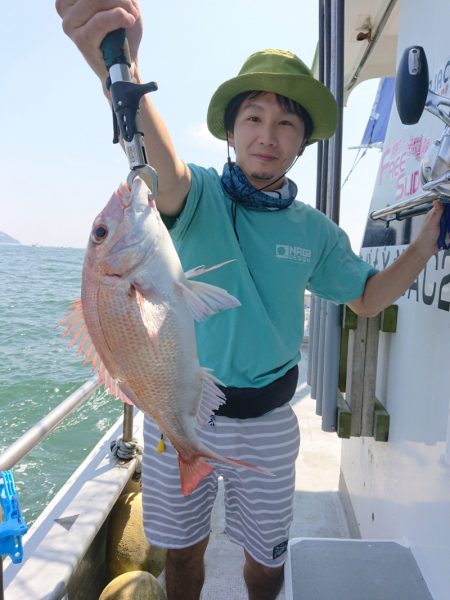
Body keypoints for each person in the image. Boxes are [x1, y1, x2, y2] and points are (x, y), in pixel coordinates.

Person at [55, 2, 443, 599]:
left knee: (265, 566)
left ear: (303, 142)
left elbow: (367, 297)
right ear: (231, 133)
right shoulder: (198, 197)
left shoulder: (315, 230)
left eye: (286, 124)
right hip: (179, 411)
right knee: (184, 558)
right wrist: (121, 65)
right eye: (253, 118)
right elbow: (159, 159)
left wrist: (422, 246)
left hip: (268, 421)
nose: (268, 135)